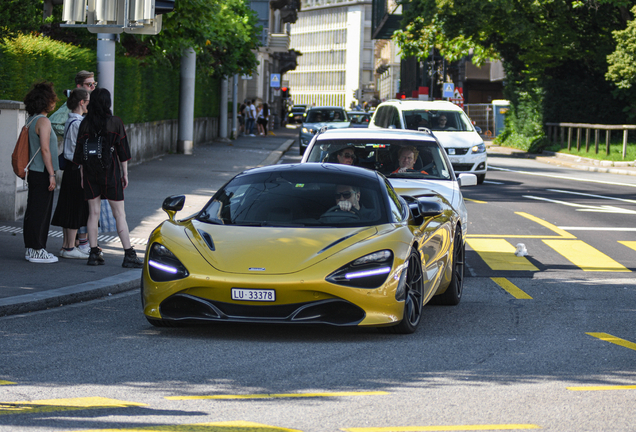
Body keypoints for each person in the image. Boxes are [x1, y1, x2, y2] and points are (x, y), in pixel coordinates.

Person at [73, 88, 143, 268]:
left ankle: (94, 253)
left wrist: (82, 176)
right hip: (110, 173)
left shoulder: (85, 124)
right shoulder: (115, 122)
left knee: (93, 213)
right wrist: (125, 174)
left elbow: (80, 154)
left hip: (89, 173)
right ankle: (128, 254)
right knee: (119, 214)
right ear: (107, 103)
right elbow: (123, 152)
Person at [51, 88, 91, 259]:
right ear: (81, 102)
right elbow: (80, 150)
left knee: (68, 205)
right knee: (75, 207)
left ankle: (67, 246)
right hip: (77, 168)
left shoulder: (69, 121)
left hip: (69, 167)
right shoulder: (79, 123)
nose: (90, 103)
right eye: (88, 100)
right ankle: (69, 248)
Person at [22, 81, 59, 263]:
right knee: (40, 212)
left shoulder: (32, 120)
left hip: (34, 172)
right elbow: (45, 150)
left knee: (33, 210)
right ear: (46, 101)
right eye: (53, 99)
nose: (55, 102)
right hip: (42, 171)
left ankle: (32, 249)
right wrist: (52, 174)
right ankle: (37, 249)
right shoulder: (43, 121)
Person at [49, 71, 96, 139]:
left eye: (94, 84)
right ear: (79, 86)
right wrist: (74, 132)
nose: (93, 87)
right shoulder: (74, 103)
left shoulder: (90, 102)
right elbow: (53, 123)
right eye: (89, 84)